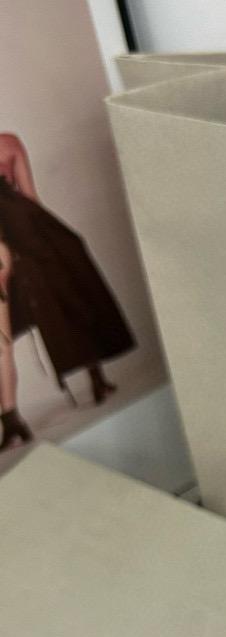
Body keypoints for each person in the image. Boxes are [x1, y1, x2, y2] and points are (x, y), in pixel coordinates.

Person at [0, 133, 134, 450]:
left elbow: (29, 198)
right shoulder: (9, 143)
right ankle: (95, 379)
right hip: (21, 238)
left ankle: (13, 421)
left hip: (11, 243)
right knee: (68, 297)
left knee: (8, 337)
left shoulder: (9, 143)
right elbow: (30, 198)